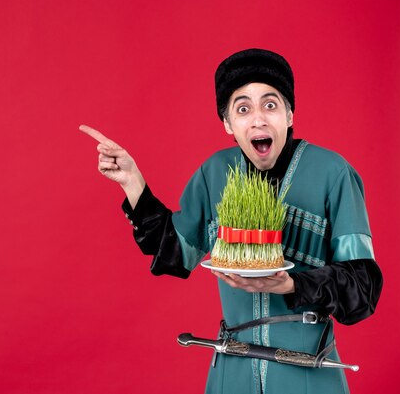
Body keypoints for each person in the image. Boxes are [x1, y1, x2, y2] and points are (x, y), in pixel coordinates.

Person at [80, 48, 382, 394]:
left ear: (289, 114)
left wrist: (292, 285)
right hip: (233, 369)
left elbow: (363, 286)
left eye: (270, 105)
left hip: (307, 369)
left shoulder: (333, 173)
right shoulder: (214, 174)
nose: (258, 119)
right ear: (227, 123)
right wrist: (132, 180)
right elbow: (176, 252)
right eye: (243, 108)